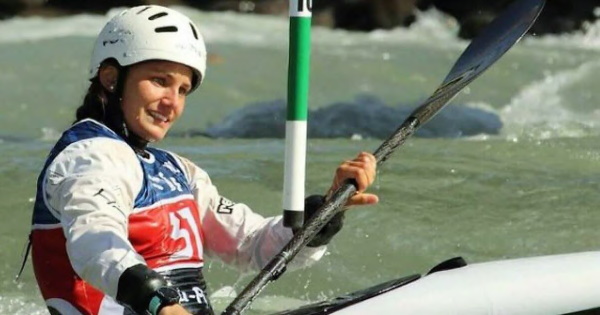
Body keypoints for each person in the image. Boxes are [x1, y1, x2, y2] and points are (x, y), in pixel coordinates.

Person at [29, 5, 378, 315]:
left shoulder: (176, 170)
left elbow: (252, 246)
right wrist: (159, 303)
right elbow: (95, 245)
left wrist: (324, 214)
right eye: (160, 81)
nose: (173, 103)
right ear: (111, 78)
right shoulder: (89, 157)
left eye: (183, 90)